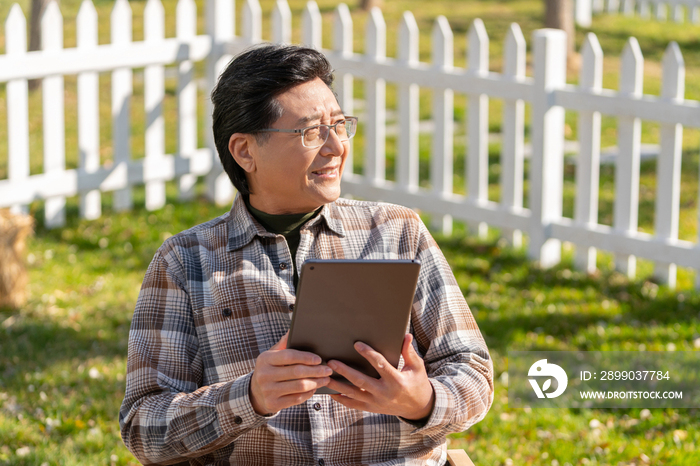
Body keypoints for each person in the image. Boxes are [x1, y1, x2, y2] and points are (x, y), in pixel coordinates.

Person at [119, 43, 493, 466]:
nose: (336, 147)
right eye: (312, 131)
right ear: (245, 151)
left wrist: (422, 400)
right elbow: (143, 429)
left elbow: (473, 373)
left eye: (340, 125)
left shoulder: (397, 232)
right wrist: (249, 397)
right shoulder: (184, 262)